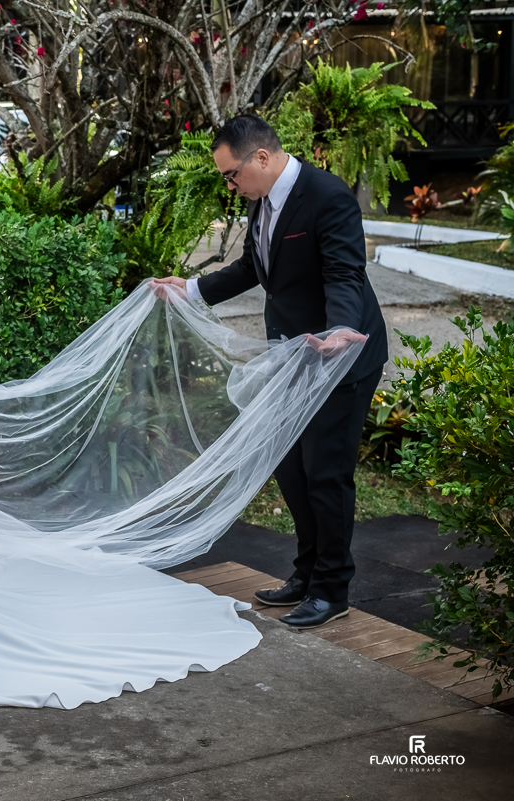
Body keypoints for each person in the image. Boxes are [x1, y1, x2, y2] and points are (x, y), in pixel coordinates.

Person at [154, 113, 388, 630]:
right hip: (292, 355)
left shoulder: (327, 196)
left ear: (262, 157)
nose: (230, 185)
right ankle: (306, 574)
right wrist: (189, 289)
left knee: (326, 474)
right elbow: (251, 268)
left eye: (230, 174)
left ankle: (332, 590)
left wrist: (341, 329)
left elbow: (345, 272)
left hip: (339, 354)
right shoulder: (264, 202)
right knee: (290, 468)